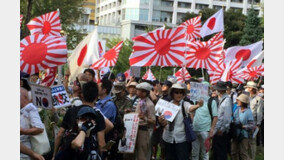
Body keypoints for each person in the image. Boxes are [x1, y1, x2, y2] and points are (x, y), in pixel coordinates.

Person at [52, 81, 114, 160]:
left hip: (68, 153)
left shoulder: (71, 111)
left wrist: (54, 154)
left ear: (82, 95)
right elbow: (101, 143)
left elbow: (60, 134)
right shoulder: (98, 115)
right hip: (86, 155)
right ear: (96, 97)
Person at [158, 83, 203, 160]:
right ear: (172, 94)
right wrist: (161, 121)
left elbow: (190, 108)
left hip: (181, 140)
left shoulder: (185, 104)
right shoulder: (167, 105)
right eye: (176, 92)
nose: (179, 94)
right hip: (168, 138)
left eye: (181, 92)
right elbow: (164, 122)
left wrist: (198, 106)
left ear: (183, 94)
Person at [191, 87, 218, 160]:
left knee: (205, 152)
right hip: (195, 129)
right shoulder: (196, 100)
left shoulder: (212, 101)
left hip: (205, 130)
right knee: (194, 152)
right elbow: (192, 112)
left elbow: (215, 117)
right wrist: (193, 121)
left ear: (208, 90)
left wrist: (212, 129)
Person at [20, 87, 45, 160]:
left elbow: (39, 128)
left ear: (23, 97)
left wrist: (23, 131)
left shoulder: (30, 108)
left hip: (25, 153)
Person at [134, 82, 156, 160]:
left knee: (142, 153)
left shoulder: (149, 104)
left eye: (139, 90)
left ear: (144, 92)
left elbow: (153, 121)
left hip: (144, 131)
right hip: (136, 129)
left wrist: (145, 118)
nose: (137, 92)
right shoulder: (139, 101)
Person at [212, 81, 233, 160]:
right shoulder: (221, 99)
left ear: (219, 90)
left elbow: (227, 118)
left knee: (221, 152)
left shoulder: (227, 100)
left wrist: (222, 129)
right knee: (216, 150)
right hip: (217, 128)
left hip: (221, 130)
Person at [231, 94, 255, 160]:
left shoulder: (248, 112)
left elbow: (252, 125)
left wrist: (243, 126)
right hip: (235, 134)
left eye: (239, 100)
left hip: (244, 135)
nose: (237, 101)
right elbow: (233, 118)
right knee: (233, 152)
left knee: (243, 153)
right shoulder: (237, 110)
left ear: (243, 102)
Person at [245, 81, 264, 160]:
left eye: (248, 87)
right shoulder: (246, 97)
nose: (247, 89)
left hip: (253, 123)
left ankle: (251, 158)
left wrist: (258, 124)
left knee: (252, 142)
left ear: (251, 89)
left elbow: (259, 112)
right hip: (245, 123)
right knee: (246, 142)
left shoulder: (258, 99)